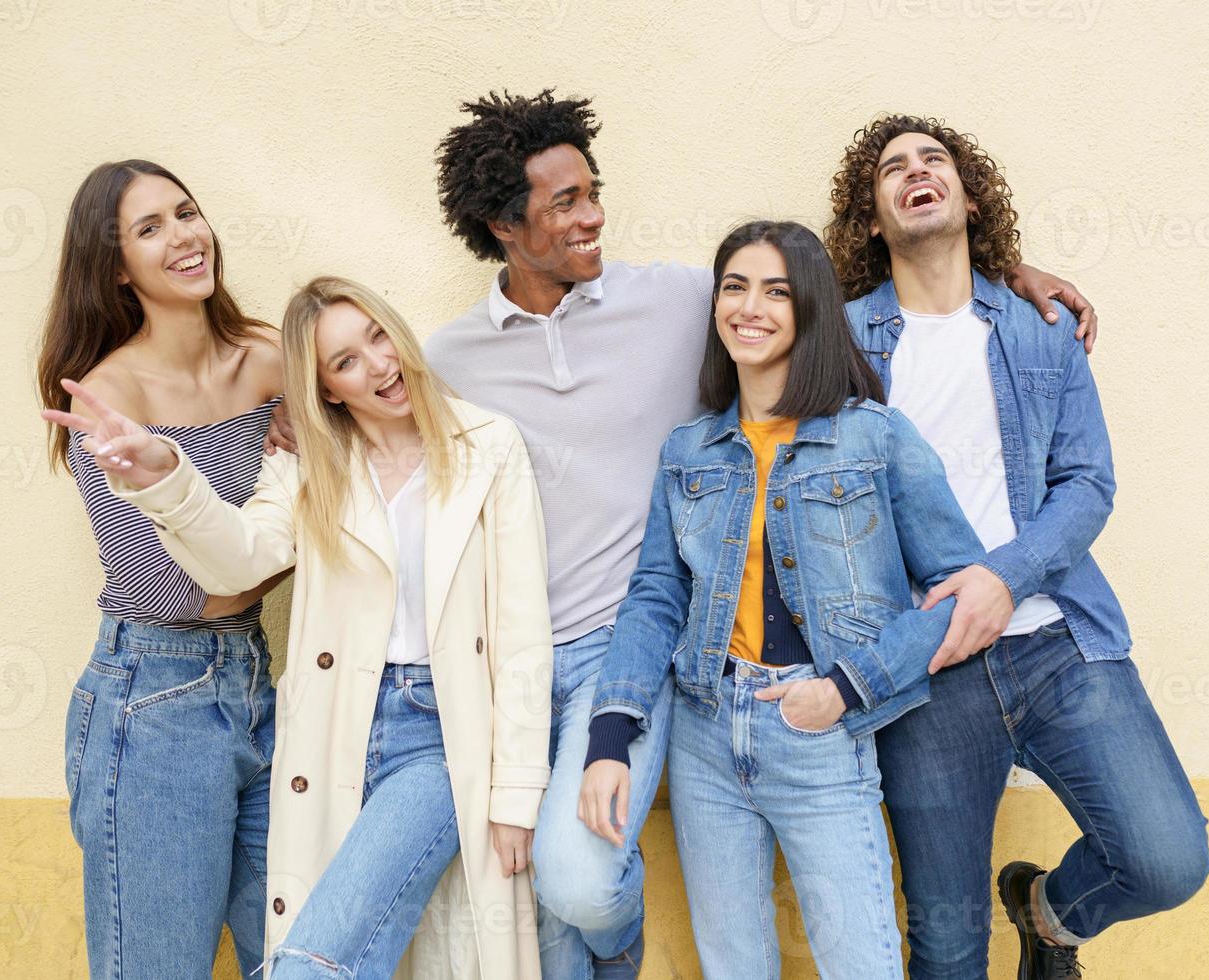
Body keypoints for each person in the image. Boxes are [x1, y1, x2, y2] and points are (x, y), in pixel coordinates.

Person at [270, 89, 1101, 979]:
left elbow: (804, 292)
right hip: (501, 665)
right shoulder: (447, 360)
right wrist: (279, 400)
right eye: (565, 204)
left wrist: (1007, 281)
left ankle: (617, 942)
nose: (593, 217)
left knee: (581, 880)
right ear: (501, 226)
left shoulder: (679, 299)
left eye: (593, 191)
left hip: (627, 656)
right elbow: (359, 389)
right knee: (548, 923)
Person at [42, 276, 553, 979]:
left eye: (379, 338)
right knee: (315, 954)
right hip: (327, 735)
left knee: (313, 965)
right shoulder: (309, 465)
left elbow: (523, 630)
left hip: (440, 738)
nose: (377, 366)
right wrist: (167, 476)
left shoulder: (487, 447)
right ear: (326, 389)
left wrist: (518, 796)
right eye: (345, 362)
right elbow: (238, 559)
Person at [827, 114, 1209, 979]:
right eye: (894, 168)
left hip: (1059, 644)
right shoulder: (845, 344)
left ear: (969, 198)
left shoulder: (1038, 324)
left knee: (1167, 859)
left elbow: (1088, 483)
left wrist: (1003, 579)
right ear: (874, 216)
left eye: (936, 161)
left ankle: (1048, 915)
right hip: (927, 673)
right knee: (950, 948)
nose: (917, 172)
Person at [577, 219, 999, 978]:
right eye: (735, 287)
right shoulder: (689, 451)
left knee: (861, 965)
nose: (751, 306)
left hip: (822, 735)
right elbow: (653, 599)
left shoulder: (872, 437)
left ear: (808, 307)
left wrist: (844, 689)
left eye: (776, 290)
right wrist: (612, 731)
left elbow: (963, 596)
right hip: (706, 736)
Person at [36, 159, 286, 979]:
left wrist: (311, 481)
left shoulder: (271, 360)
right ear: (116, 268)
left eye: (186, 213)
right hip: (153, 701)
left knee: (297, 958)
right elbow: (183, 588)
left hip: (261, 691)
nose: (183, 237)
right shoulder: (109, 402)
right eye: (150, 229)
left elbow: (360, 498)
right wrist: (293, 525)